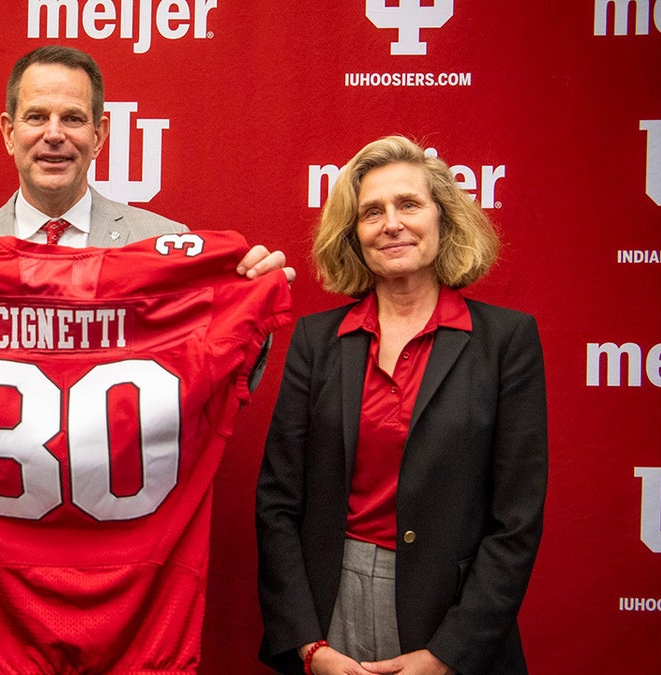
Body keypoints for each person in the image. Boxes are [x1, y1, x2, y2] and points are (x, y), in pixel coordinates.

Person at [0, 46, 295, 673]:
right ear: (7, 130)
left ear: (101, 134)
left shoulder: (165, 249)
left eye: (73, 119)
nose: (54, 135)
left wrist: (248, 308)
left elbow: (217, 391)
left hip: (129, 604)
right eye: (37, 116)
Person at [255, 135, 547, 675]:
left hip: (452, 620)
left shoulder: (506, 341)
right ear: (354, 234)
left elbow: (517, 522)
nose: (391, 223)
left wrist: (447, 655)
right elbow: (277, 502)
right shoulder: (316, 341)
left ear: (443, 219)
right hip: (330, 609)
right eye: (372, 212)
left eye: (409, 204)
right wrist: (307, 645)